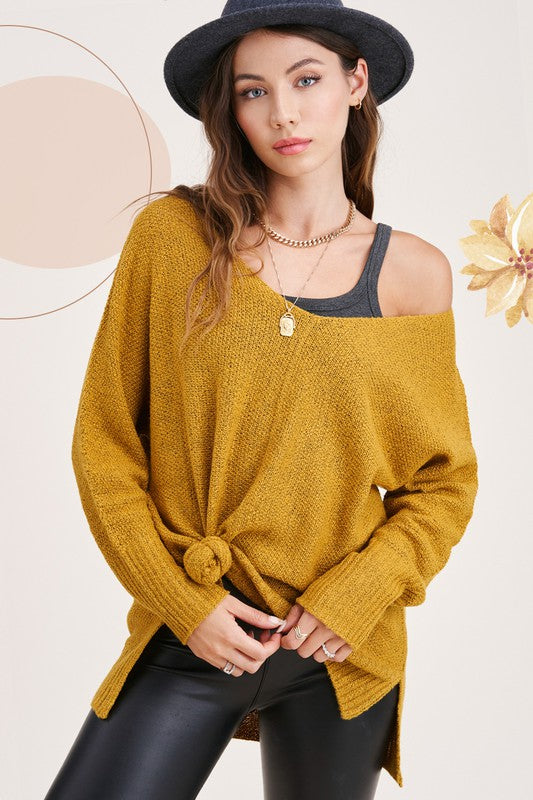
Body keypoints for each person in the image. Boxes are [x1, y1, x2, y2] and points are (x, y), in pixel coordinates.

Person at [44, 1, 478, 799]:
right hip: (195, 631)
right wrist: (182, 601)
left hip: (342, 650)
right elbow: (104, 444)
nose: (282, 112)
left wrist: (358, 593)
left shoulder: (414, 275)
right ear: (230, 109)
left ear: (355, 83)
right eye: (253, 91)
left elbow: (442, 484)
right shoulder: (173, 238)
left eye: (305, 79)